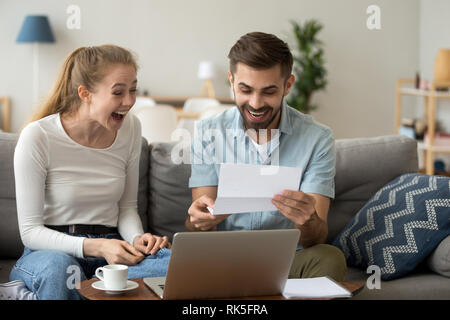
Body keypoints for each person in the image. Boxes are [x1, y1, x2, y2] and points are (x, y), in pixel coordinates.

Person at [0, 45, 171, 300]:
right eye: (118, 92)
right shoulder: (39, 136)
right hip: (51, 250)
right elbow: (30, 231)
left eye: (133, 90)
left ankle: (71, 291)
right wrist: (97, 246)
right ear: (85, 93)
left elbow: (126, 209)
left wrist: (137, 239)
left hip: (113, 249)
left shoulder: (131, 128)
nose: (129, 101)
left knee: (171, 264)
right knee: (61, 271)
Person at [186, 32, 347, 281]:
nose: (256, 103)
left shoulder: (317, 139)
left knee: (329, 257)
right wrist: (200, 219)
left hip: (287, 260)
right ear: (231, 81)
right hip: (224, 258)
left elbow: (316, 236)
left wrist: (308, 219)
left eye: (269, 92)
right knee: (190, 251)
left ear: (288, 85)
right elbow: (197, 226)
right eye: (245, 90)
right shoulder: (209, 132)